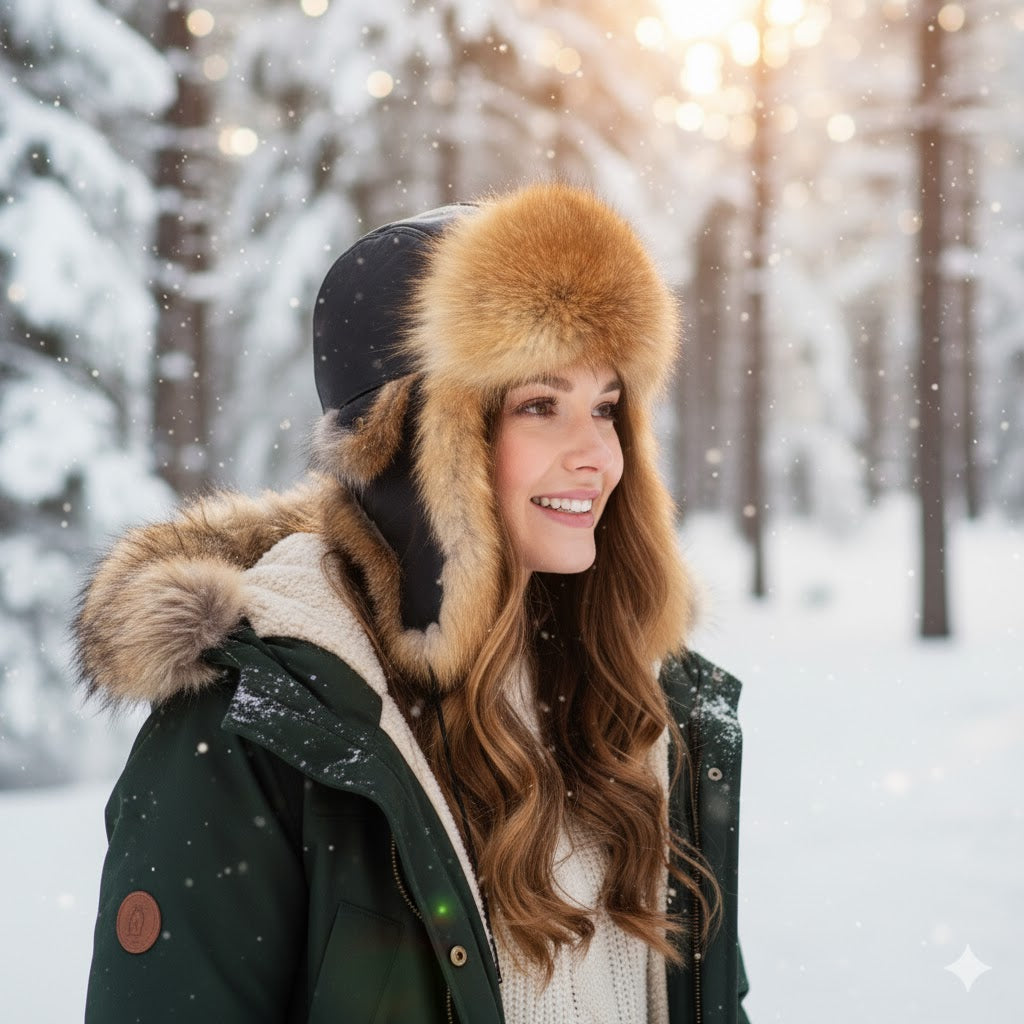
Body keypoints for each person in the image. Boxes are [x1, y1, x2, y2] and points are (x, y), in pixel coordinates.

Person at [77, 182, 750, 1023]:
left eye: (607, 408)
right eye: (540, 405)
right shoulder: (253, 732)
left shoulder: (640, 715)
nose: (598, 457)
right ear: (414, 450)